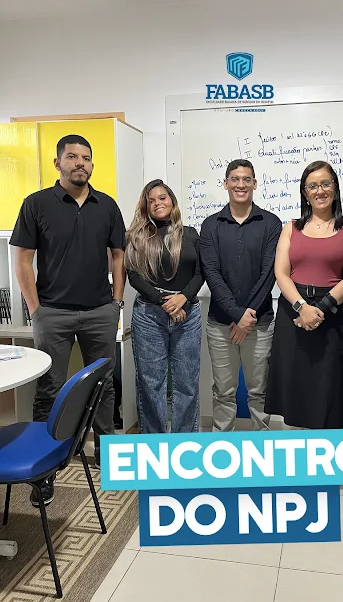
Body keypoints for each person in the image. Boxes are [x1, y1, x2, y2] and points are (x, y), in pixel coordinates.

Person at [10, 134, 126, 506]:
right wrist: (36, 309)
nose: (80, 163)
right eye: (72, 157)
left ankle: (107, 455)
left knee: (104, 388)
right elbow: (23, 259)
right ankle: (43, 470)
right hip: (53, 314)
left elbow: (119, 256)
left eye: (86, 158)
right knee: (50, 389)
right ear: (58, 162)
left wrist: (116, 302)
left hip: (99, 312)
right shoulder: (36, 204)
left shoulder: (106, 205)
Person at [265, 160, 343, 429]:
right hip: (293, 313)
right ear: (305, 193)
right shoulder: (290, 228)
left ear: (335, 188)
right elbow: (281, 274)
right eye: (312, 186)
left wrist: (318, 309)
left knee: (332, 389)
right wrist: (302, 307)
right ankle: (302, 449)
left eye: (325, 184)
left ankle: (330, 450)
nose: (320, 191)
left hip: (333, 315)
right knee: (296, 387)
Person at [200, 159, 282, 432]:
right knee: (223, 391)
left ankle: (262, 444)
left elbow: (269, 273)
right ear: (225, 184)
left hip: (260, 323)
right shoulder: (210, 225)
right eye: (235, 179)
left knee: (259, 391)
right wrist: (237, 315)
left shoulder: (271, 223)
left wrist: (246, 318)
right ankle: (222, 446)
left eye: (247, 179)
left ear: (255, 184)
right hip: (220, 324)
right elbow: (211, 273)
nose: (241, 184)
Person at [125, 180, 203, 434]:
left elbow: (201, 272)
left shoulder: (190, 234)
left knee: (186, 384)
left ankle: (184, 445)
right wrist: (164, 301)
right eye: (151, 200)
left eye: (162, 197)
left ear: (172, 201)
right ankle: (154, 444)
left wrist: (183, 298)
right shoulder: (137, 236)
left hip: (188, 314)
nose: (157, 203)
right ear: (145, 206)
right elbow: (134, 276)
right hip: (149, 315)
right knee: (151, 384)